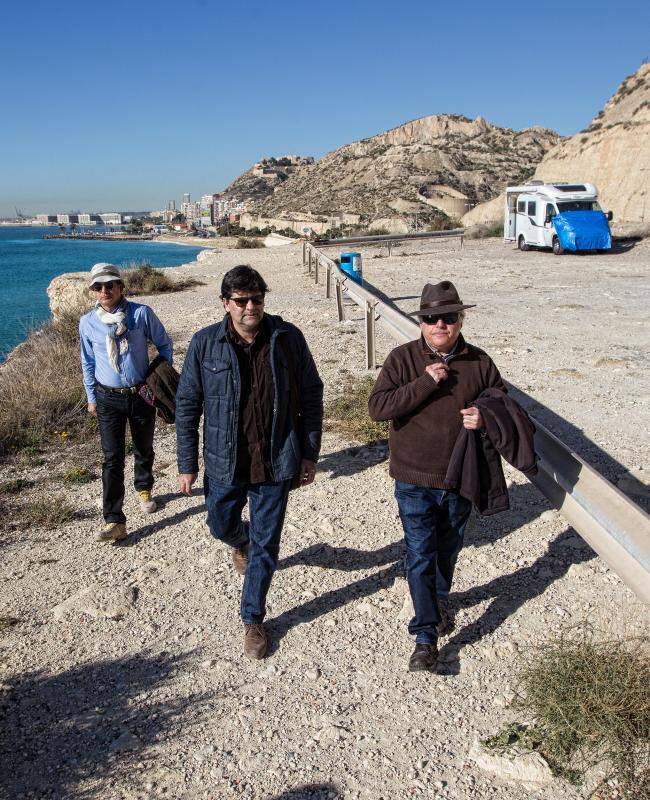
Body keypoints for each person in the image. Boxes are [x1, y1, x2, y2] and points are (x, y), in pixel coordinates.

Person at [176, 265, 323, 660]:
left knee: (266, 542)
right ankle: (239, 541)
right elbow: (187, 405)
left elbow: (311, 394)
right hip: (225, 462)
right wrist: (187, 463)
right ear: (226, 303)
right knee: (219, 523)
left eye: (256, 299)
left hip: (275, 462)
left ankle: (253, 618)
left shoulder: (288, 338)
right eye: (240, 300)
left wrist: (309, 453)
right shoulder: (205, 344)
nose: (250, 307)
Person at [368, 280, 506, 673]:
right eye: (431, 319)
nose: (439, 325)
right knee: (419, 552)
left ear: (460, 320)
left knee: (447, 549)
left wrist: (485, 417)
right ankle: (425, 636)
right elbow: (378, 408)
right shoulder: (403, 359)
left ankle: (439, 597)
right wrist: (426, 381)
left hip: (462, 476)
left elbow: (503, 403)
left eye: (447, 318)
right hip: (413, 477)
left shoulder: (479, 362)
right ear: (421, 322)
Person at [79, 263, 173, 543]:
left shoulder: (141, 314)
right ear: (94, 292)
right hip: (107, 397)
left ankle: (144, 488)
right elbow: (88, 361)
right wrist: (91, 396)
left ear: (121, 287)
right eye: (98, 287)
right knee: (112, 458)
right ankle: (113, 519)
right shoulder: (87, 322)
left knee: (144, 447)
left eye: (110, 285)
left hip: (140, 393)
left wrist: (159, 377)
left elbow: (165, 344)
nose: (104, 291)